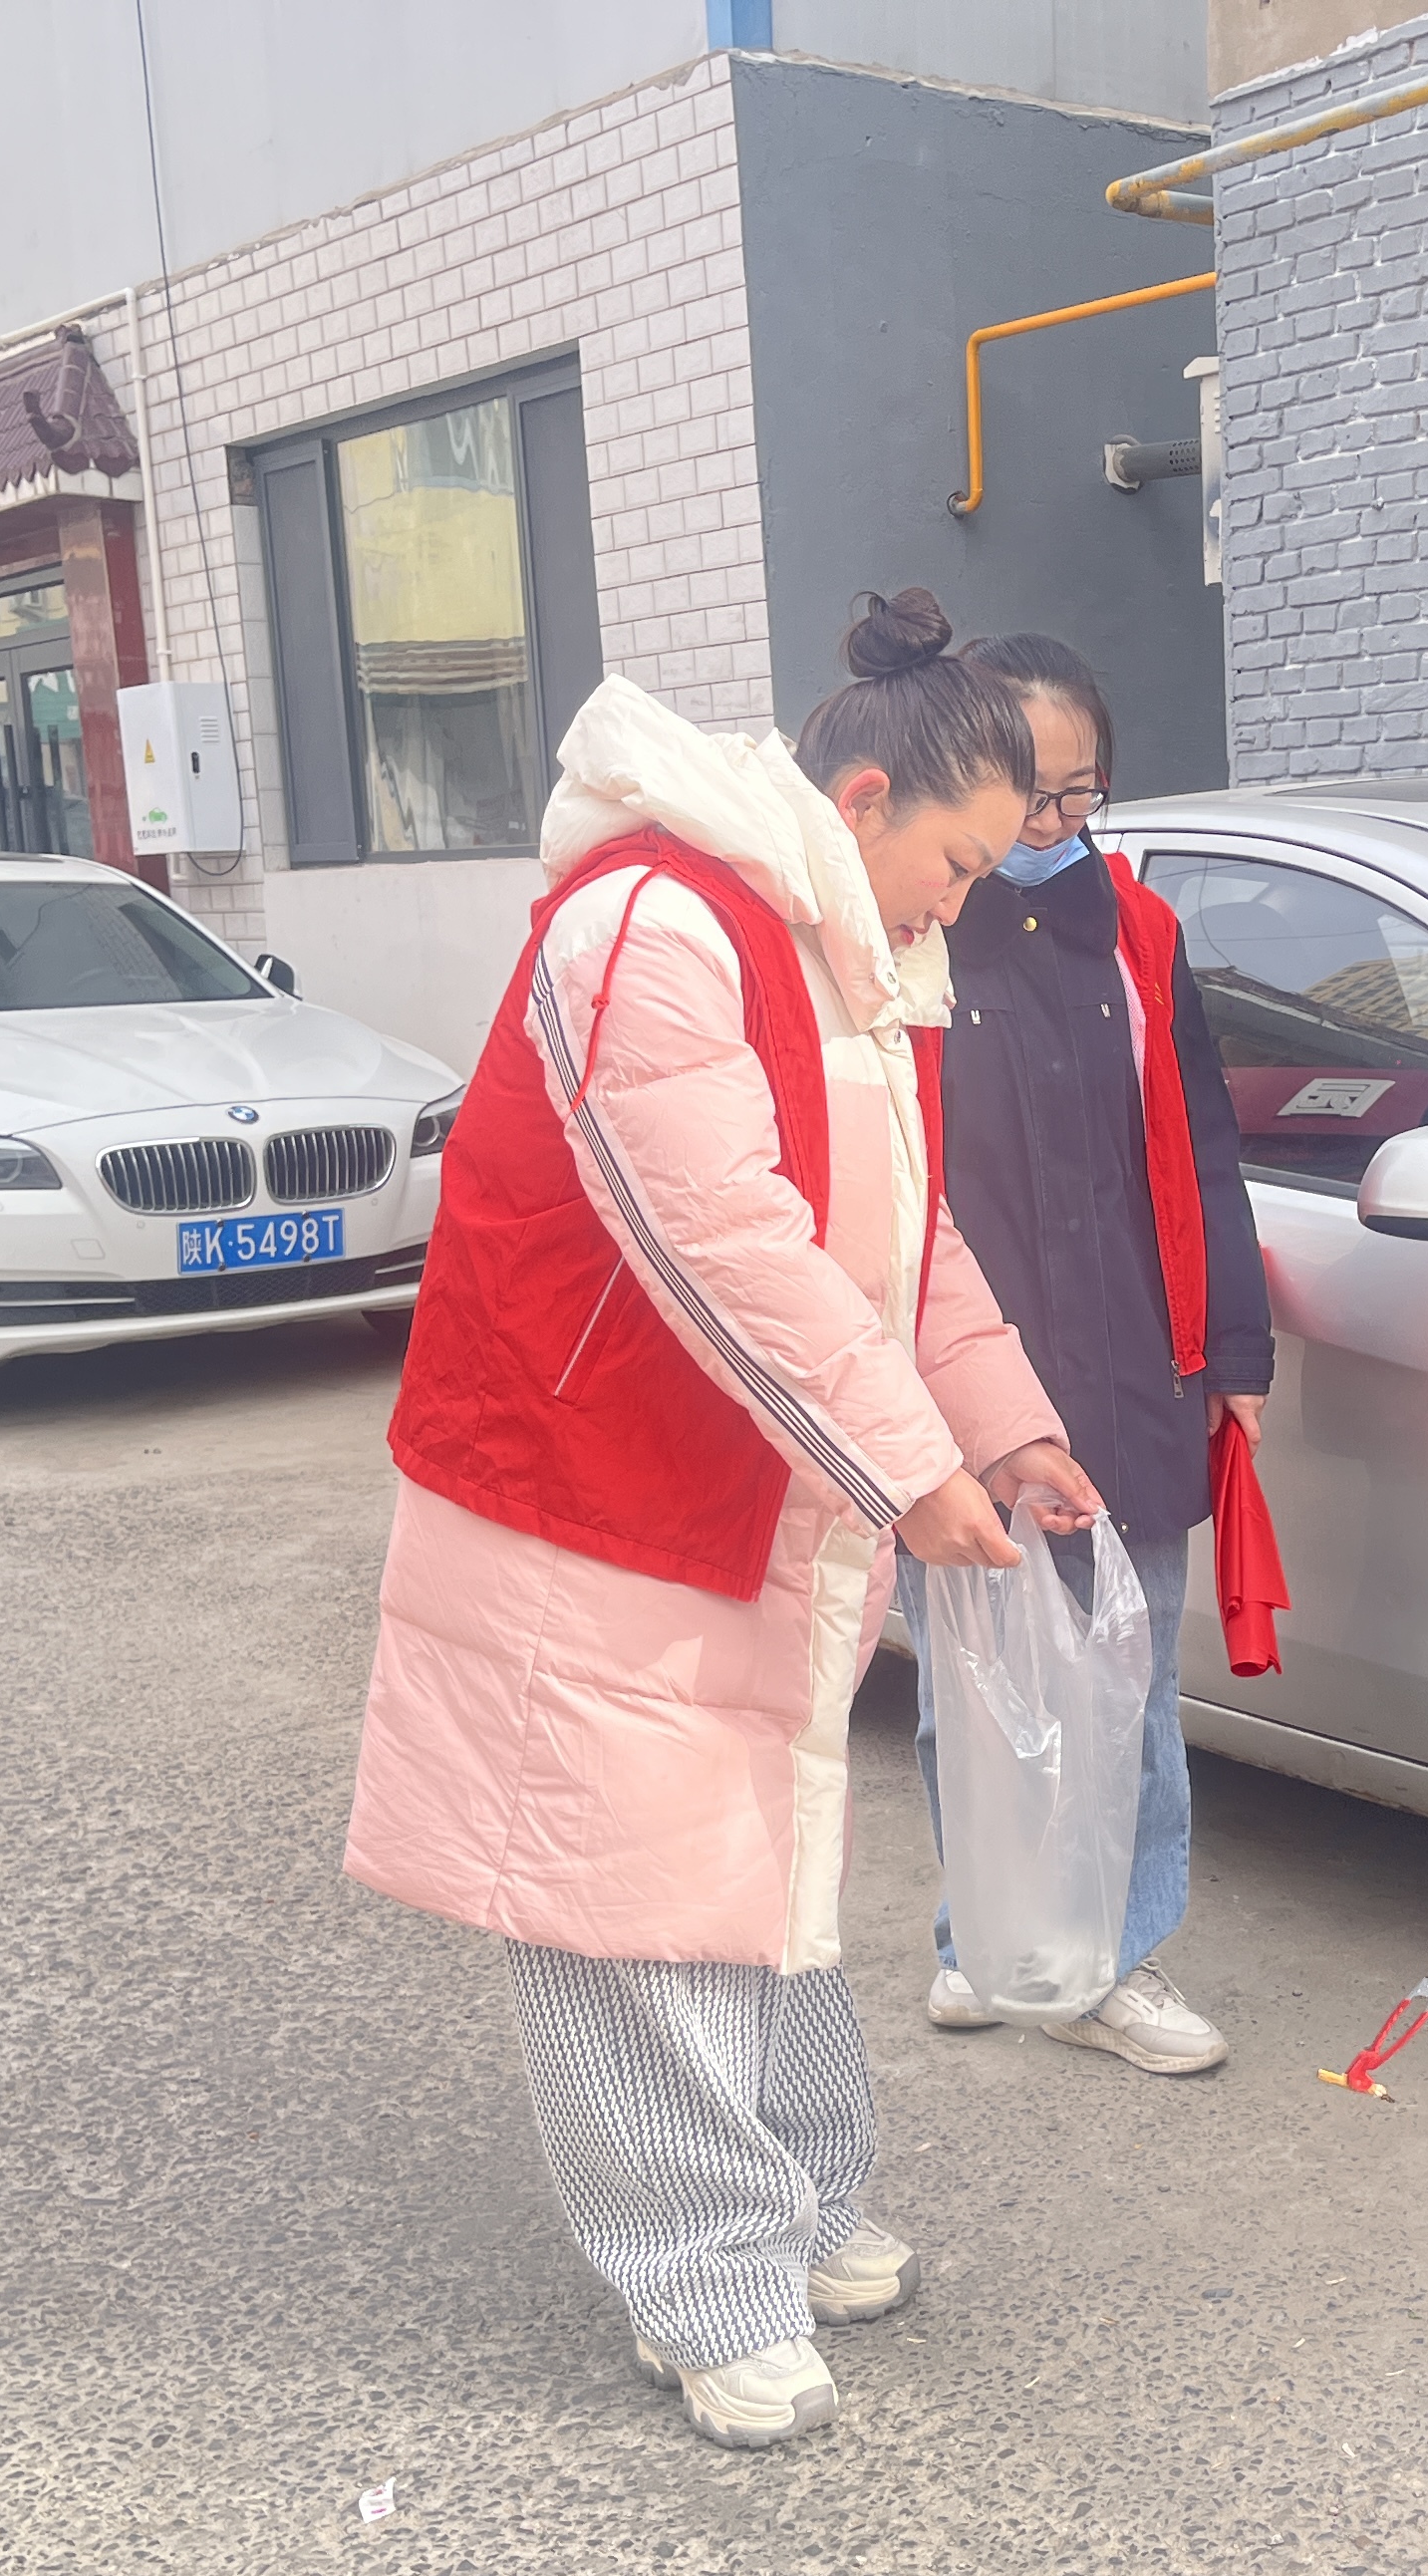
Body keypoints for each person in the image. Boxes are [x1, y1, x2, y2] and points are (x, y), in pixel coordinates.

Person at [344, 591, 1103, 2453]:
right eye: (957, 865)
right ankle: (702, 2281)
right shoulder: (651, 927)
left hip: (744, 1488)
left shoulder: (838, 953)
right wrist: (912, 1468)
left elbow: (901, 1238)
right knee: (624, 1908)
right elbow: (725, 1246)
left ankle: (794, 2207)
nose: (959, 909)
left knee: (754, 1871)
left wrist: (1002, 1427)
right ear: (863, 802)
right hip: (588, 1497)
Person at [901, 631, 1278, 2075]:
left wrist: (1232, 1348)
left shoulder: (1141, 933)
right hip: (958, 1370)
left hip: (1129, 1357)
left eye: (1081, 795)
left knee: (1128, 1678)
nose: (1055, 825)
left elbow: (1204, 1145)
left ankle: (1117, 1953)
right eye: (1030, 799)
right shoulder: (913, 935)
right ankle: (982, 1936)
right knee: (968, 1681)